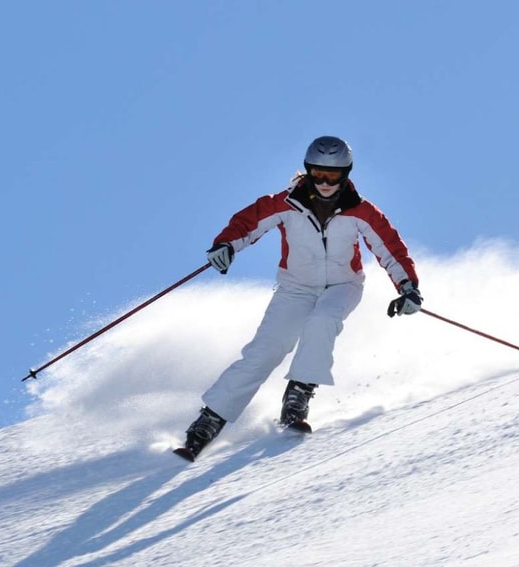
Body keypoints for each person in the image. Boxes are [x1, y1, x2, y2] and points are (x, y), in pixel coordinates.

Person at [179, 136, 422, 459]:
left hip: (342, 286)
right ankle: (209, 420)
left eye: (332, 176)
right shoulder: (285, 204)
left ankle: (299, 393)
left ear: (345, 175)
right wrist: (226, 245)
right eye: (318, 174)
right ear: (308, 171)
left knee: (322, 322)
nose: (324, 182)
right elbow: (247, 223)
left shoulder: (361, 212)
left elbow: (390, 247)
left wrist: (408, 287)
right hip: (295, 288)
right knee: (264, 351)